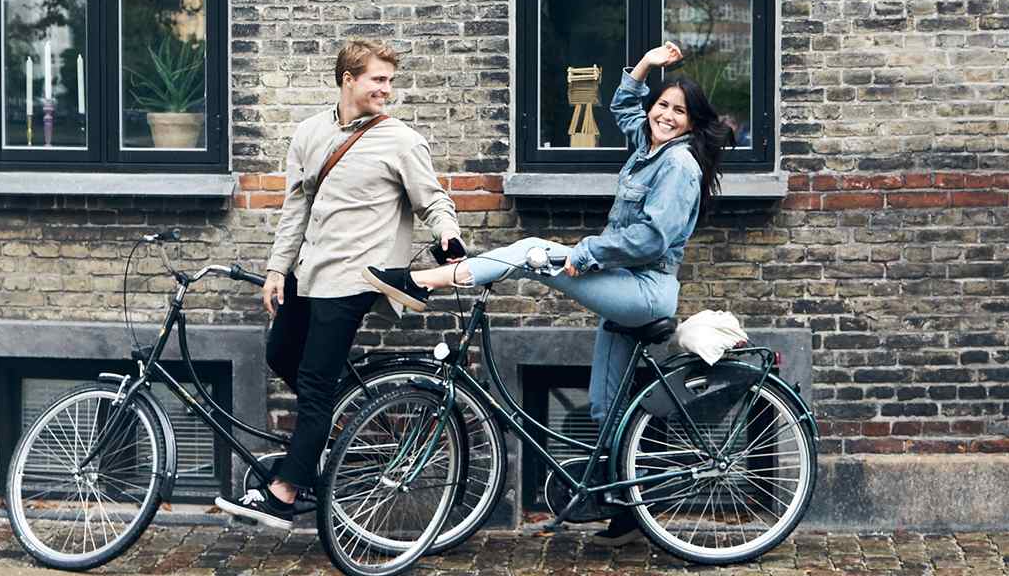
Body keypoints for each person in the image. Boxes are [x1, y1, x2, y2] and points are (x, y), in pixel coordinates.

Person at [363, 42, 729, 546]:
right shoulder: (650, 147)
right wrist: (645, 65)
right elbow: (625, 107)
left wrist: (587, 253)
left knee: (535, 251)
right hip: (626, 289)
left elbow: (651, 237)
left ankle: (421, 282)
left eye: (678, 110)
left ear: (692, 123)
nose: (665, 115)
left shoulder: (679, 166)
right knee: (605, 409)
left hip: (644, 289)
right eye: (661, 105)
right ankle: (628, 513)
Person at [216, 40, 464, 530]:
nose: (386, 90)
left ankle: (285, 493)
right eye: (378, 80)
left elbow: (432, 201)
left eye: (389, 81)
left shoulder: (401, 140)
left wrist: (448, 232)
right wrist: (275, 269)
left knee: (312, 385)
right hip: (309, 273)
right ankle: (340, 419)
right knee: (281, 355)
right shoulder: (310, 133)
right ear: (349, 78)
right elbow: (296, 210)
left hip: (356, 277)